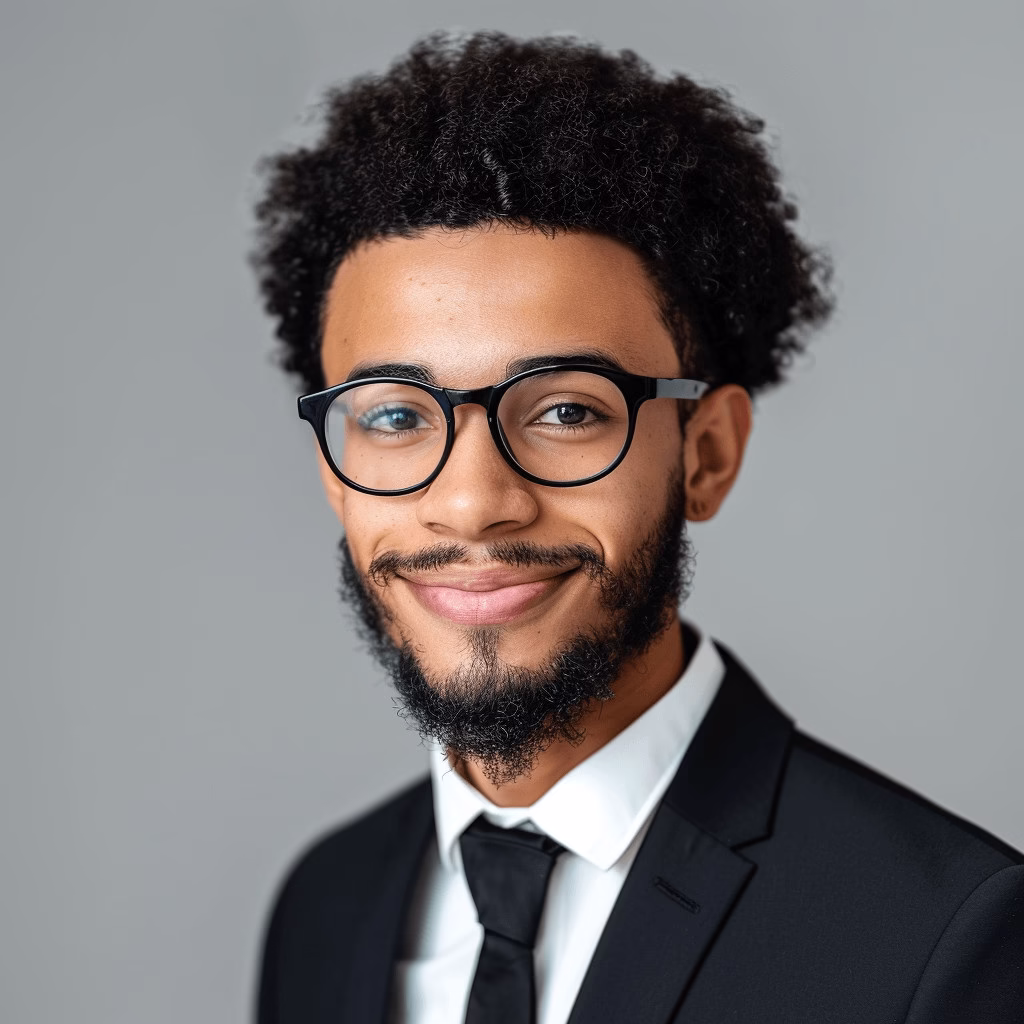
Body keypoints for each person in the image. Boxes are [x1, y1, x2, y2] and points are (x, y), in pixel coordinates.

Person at [250, 30, 1023, 1024]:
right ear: (332, 469)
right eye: (396, 417)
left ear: (706, 455)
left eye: (567, 409)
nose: (473, 501)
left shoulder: (942, 940)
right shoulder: (325, 908)